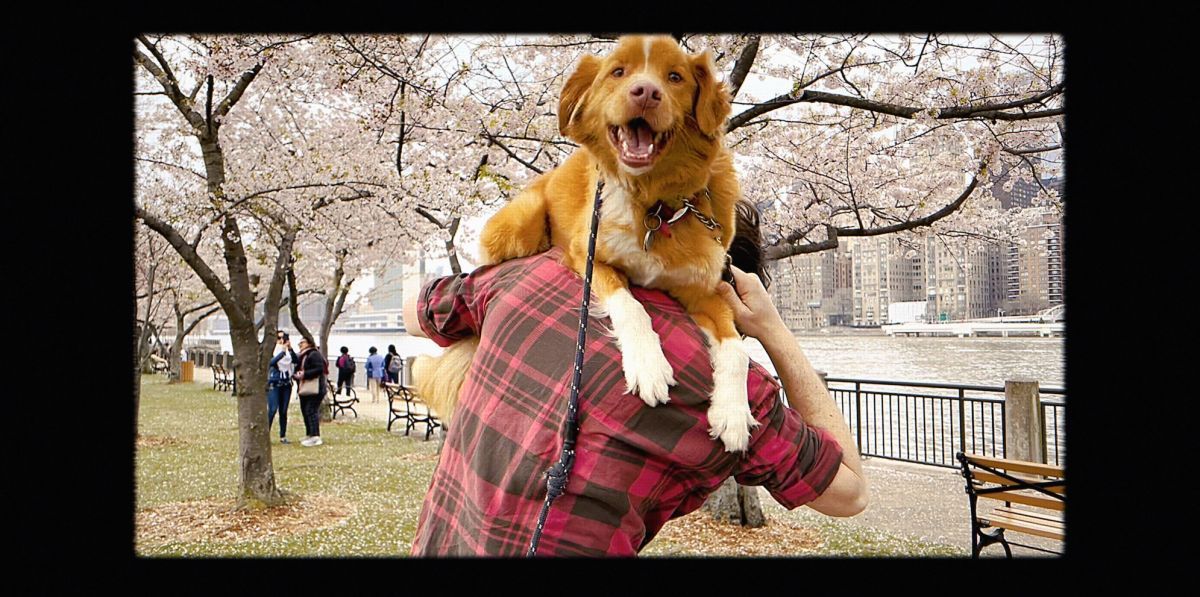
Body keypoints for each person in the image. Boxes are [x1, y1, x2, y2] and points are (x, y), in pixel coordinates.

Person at [403, 204, 868, 556]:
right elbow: (849, 492)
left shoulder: (533, 274)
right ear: (729, 283)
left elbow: (414, 313)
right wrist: (773, 330)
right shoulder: (733, 392)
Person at [294, 336, 328, 447]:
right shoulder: (302, 355)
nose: (300, 345)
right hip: (304, 388)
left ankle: (315, 435)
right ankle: (309, 433)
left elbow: (319, 369)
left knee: (311, 410)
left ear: (309, 343)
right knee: (305, 410)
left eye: (302, 343)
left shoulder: (314, 354)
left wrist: (305, 374)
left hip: (315, 388)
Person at [267, 332, 299, 444]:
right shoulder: (273, 351)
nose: (281, 340)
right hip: (274, 384)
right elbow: (271, 362)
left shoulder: (289, 353)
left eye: (284, 338)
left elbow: (296, 361)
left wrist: (290, 349)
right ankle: (265, 435)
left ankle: (283, 436)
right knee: (272, 409)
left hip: (286, 385)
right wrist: (282, 353)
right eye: (279, 338)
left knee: (283, 411)